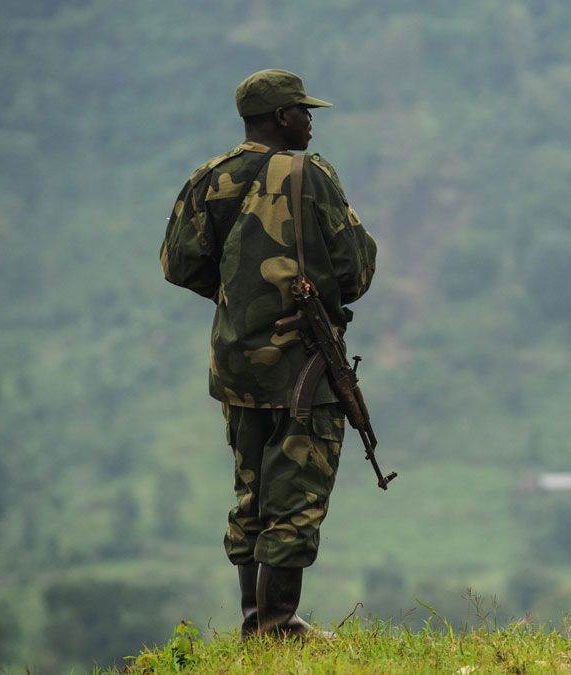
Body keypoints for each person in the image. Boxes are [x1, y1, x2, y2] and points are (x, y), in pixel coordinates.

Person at [160, 69, 376, 638]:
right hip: (303, 363)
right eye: (304, 111)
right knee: (298, 492)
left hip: (235, 366)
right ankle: (279, 624)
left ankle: (256, 621)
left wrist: (238, 294)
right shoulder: (311, 175)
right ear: (282, 116)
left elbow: (178, 264)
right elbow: (355, 269)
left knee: (251, 490)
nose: (310, 119)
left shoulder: (210, 176)